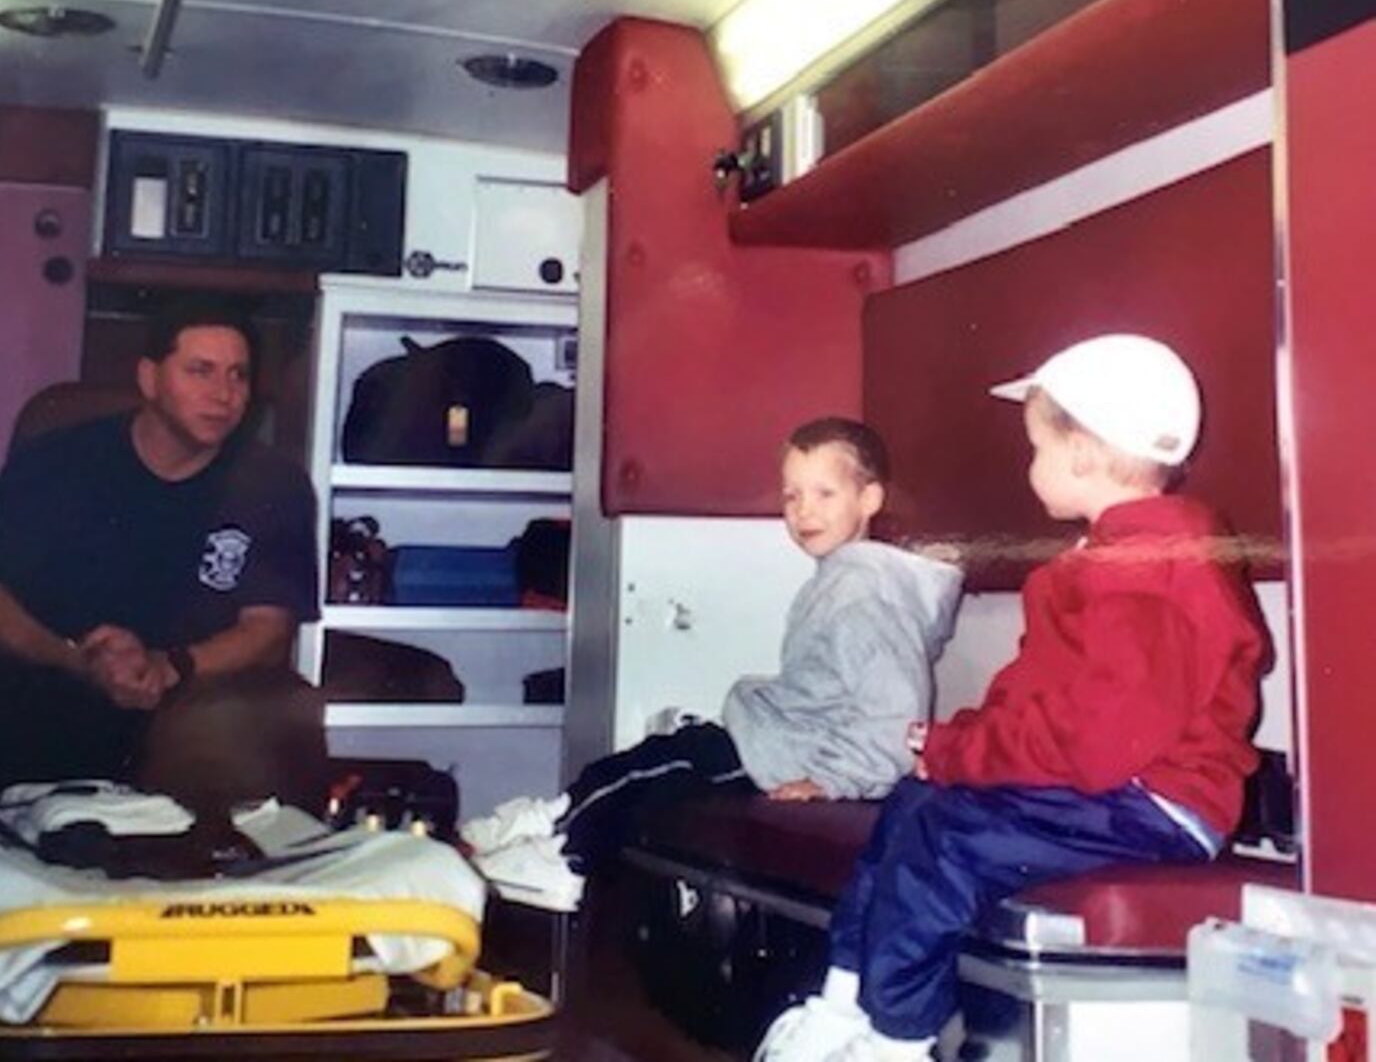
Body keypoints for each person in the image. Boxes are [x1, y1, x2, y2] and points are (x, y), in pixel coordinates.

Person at [755, 334, 1271, 1062]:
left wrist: (964, 755)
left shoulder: (1147, 573)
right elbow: (1034, 701)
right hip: (1113, 789)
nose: (1031, 465)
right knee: (915, 805)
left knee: (943, 839)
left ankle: (894, 1039)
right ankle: (842, 1004)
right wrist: (949, 749)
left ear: (1083, 454)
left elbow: (1093, 744)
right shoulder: (1105, 563)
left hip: (1154, 805)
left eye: (1037, 447)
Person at [461, 417, 964, 912]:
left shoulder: (863, 590)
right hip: (783, 739)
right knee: (658, 757)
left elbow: (898, 714)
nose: (804, 511)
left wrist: (836, 782)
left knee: (661, 768)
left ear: (869, 500)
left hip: (793, 755)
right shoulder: (840, 578)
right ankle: (546, 821)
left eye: (824, 494)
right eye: (791, 496)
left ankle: (563, 857)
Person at [0, 297, 318, 798]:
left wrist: (170, 665)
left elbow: (268, 632)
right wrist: (77, 661)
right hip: (56, 679)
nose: (224, 394)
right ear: (149, 379)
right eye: (201, 371)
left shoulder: (273, 484)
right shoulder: (56, 461)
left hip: (186, 698)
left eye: (239, 375)